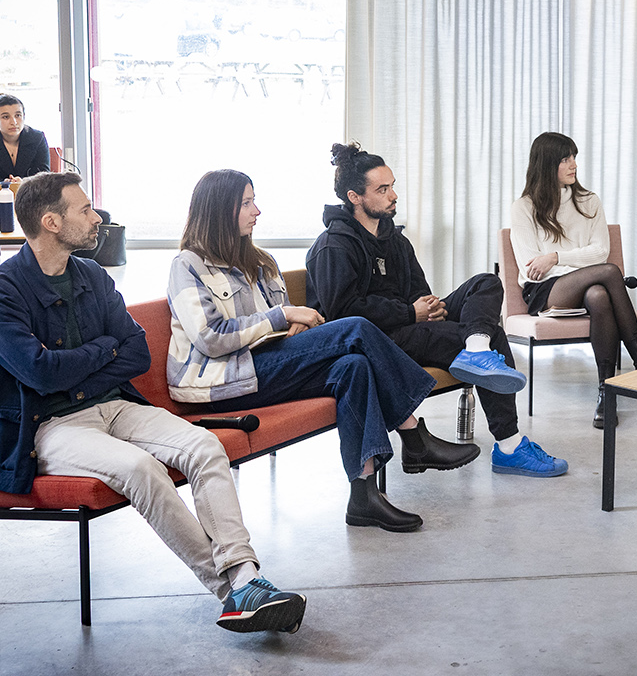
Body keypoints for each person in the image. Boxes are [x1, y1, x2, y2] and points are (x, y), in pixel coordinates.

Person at [0, 172, 306, 634]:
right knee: (140, 469)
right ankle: (232, 590)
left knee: (205, 447)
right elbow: (40, 374)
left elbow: (135, 352)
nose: (97, 218)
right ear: (51, 222)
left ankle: (245, 579)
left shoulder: (91, 274)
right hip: (49, 426)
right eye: (85, 209)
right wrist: (101, 350)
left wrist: (74, 365)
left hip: (116, 407)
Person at [168, 170, 479, 534]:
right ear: (220, 210)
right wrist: (283, 317)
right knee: (356, 327)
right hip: (225, 381)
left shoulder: (260, 261)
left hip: (270, 363)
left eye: (254, 201)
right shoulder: (187, 266)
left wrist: (293, 322)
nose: (257, 211)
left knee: (354, 366)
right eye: (247, 203)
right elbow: (211, 337)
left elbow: (289, 320)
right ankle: (412, 433)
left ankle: (363, 496)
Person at [306, 143, 568, 478]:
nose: (393, 195)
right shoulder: (333, 245)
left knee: (486, 283)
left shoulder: (395, 240)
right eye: (382, 190)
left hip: (408, 323)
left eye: (392, 186)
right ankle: (509, 445)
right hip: (378, 340)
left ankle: (476, 348)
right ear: (355, 197)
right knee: (493, 333)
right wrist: (410, 313)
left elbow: (418, 289)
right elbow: (344, 313)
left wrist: (428, 307)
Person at [511, 132, 637, 429]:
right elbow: (532, 266)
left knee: (599, 294)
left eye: (574, 157)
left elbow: (600, 251)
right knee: (610, 272)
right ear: (546, 164)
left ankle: (606, 392)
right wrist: (570, 265)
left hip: (585, 283)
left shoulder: (589, 201)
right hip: (546, 291)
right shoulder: (524, 207)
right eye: (565, 159)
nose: (574, 164)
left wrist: (555, 257)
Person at [0, 93, 52, 198]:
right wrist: (5, 183)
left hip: (33, 193)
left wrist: (24, 182)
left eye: (18, 115)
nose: (14, 122)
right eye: (6, 117)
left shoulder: (37, 138)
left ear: (24, 116)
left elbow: (43, 175)